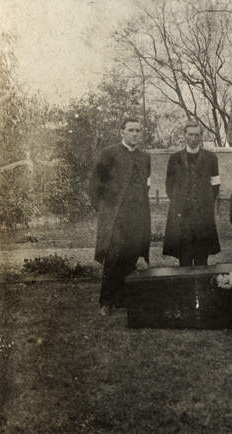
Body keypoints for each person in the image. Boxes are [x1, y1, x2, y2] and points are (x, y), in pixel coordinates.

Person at [90, 117, 151, 316]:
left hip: (137, 216)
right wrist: (104, 210)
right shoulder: (108, 154)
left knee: (130, 258)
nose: (135, 134)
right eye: (131, 130)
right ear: (121, 132)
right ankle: (106, 303)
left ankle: (123, 298)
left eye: (138, 131)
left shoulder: (145, 157)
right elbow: (94, 185)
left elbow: (146, 186)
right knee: (113, 258)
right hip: (115, 217)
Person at [163, 120, 221, 266]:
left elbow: (215, 184)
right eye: (190, 135)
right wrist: (179, 202)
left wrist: (205, 202)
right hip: (182, 217)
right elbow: (169, 186)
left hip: (203, 216)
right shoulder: (174, 158)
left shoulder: (211, 158)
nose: (194, 138)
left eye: (197, 135)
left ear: (201, 136)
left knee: (202, 258)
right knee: (184, 258)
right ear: (184, 135)